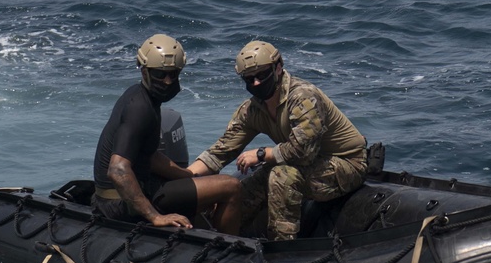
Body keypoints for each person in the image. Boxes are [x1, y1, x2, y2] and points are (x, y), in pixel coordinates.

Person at [187, 40, 368, 240]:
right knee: (246, 187)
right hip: (303, 163)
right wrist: (186, 176)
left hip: (346, 164)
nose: (256, 83)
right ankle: (223, 239)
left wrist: (262, 154)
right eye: (249, 79)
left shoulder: (303, 97)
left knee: (281, 175)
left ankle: (283, 245)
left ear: (278, 68)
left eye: (262, 75)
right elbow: (221, 151)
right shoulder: (252, 110)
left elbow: (303, 153)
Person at [93, 34, 248, 231]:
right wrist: (155, 217)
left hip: (126, 193)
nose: (167, 81)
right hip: (119, 205)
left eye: (173, 74)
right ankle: (228, 251)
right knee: (231, 186)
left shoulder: (142, 98)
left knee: (205, 186)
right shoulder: (139, 108)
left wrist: (186, 175)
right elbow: (117, 170)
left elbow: (149, 156)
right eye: (160, 74)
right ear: (144, 72)